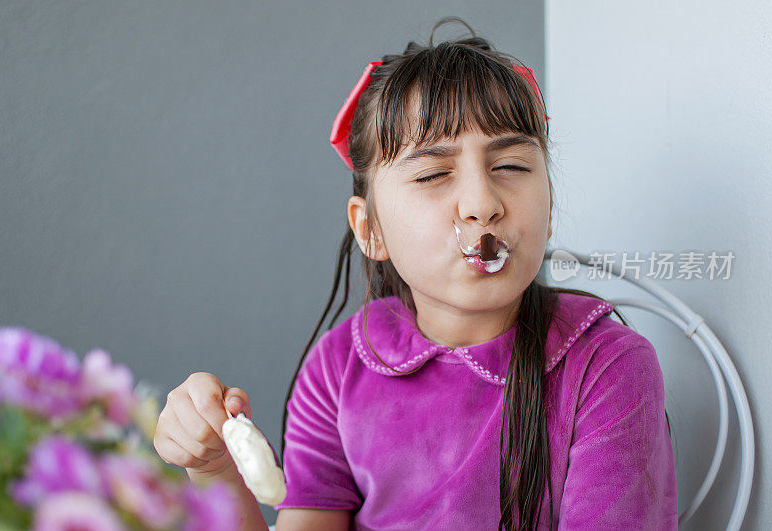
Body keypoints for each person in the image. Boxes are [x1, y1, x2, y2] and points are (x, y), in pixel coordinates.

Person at [153, 16, 678, 531]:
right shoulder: (338, 367)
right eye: (432, 173)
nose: (482, 204)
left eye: (512, 167)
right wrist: (215, 468)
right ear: (370, 229)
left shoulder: (607, 367)